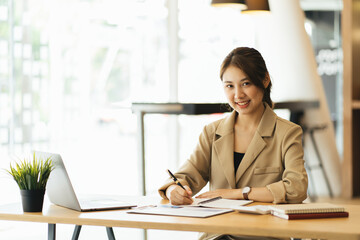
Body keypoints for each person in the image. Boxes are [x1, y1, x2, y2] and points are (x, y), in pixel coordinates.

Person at [158, 47, 308, 240]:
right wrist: (174, 190)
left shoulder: (287, 133)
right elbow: (186, 176)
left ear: (265, 80)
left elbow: (296, 188)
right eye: (229, 86)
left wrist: (238, 194)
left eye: (245, 83)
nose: (238, 95)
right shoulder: (212, 132)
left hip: (263, 235)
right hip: (217, 234)